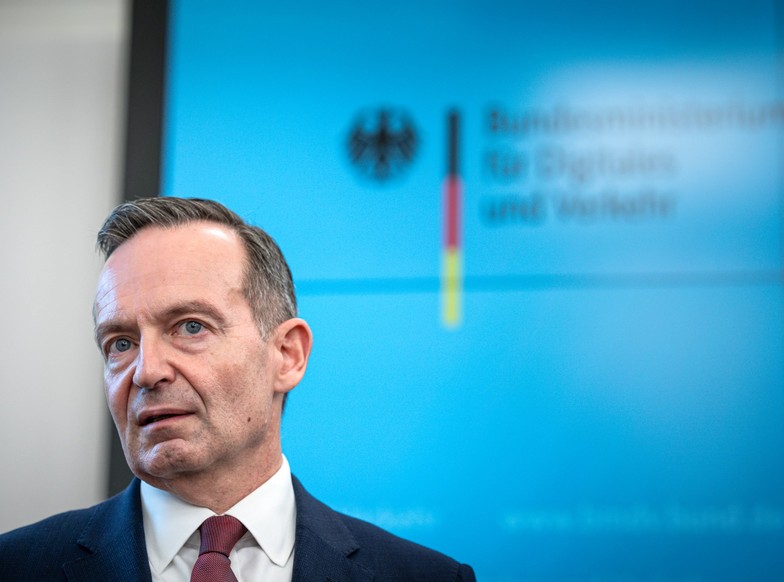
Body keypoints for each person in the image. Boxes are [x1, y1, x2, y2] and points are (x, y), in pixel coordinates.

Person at [0, 197, 475, 581]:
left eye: (189, 327)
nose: (146, 372)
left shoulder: (423, 576)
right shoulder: (18, 567)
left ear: (287, 355)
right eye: (121, 343)